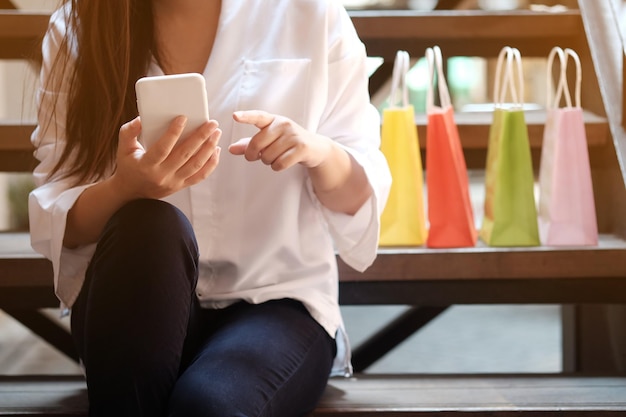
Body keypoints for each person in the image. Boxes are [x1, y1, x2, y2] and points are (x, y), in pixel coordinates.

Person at [28, 0, 391, 415]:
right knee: (148, 224)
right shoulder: (80, 26)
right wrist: (125, 188)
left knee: (209, 406)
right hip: (137, 301)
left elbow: (359, 197)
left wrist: (319, 151)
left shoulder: (309, 13)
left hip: (275, 302)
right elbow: (59, 216)